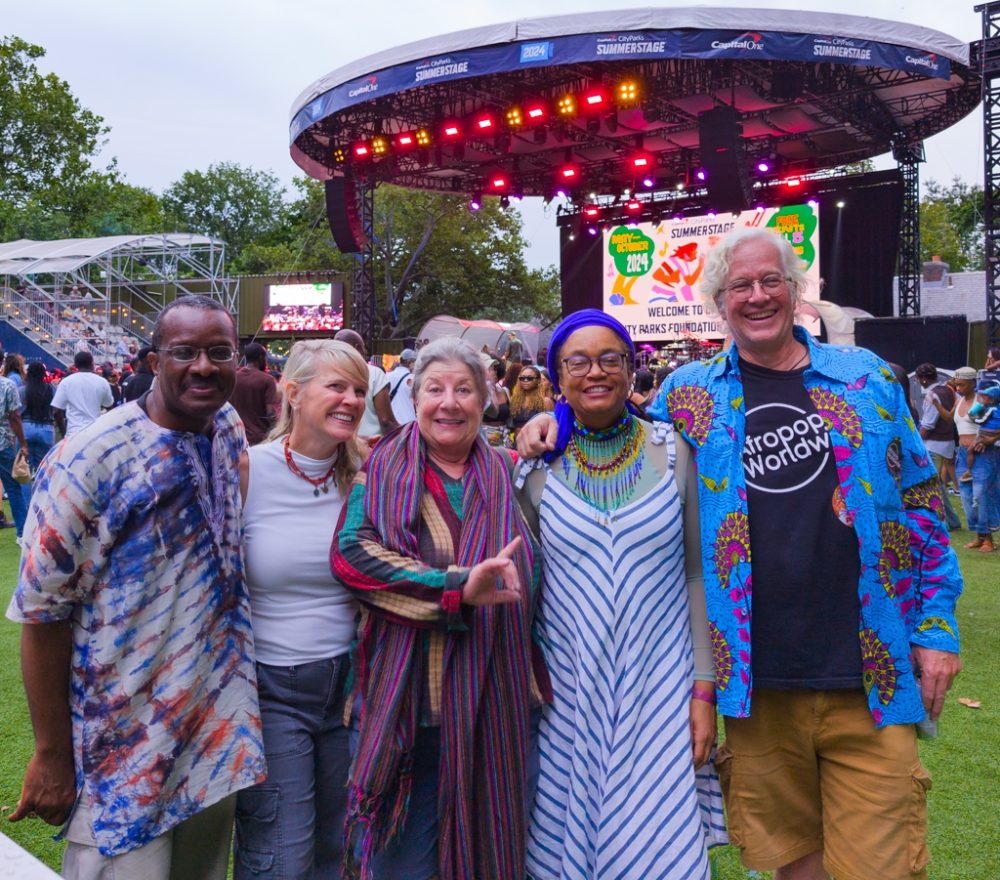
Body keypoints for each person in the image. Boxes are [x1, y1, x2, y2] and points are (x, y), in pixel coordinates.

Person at [520, 228, 964, 880]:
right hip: (755, 687)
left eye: (770, 281)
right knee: (793, 868)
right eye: (740, 287)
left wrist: (936, 629)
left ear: (795, 291)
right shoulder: (689, 396)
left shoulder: (865, 378)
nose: (757, 297)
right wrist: (552, 421)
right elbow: (615, 416)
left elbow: (923, 502)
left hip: (870, 672)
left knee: (884, 866)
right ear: (719, 301)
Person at [6, 295, 266, 879]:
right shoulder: (89, 459)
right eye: (185, 353)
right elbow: (42, 617)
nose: (203, 366)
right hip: (121, 753)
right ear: (154, 360)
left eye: (218, 351)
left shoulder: (224, 426)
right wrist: (50, 753)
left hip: (213, 736)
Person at [515, 310, 725, 880]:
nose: (596, 372)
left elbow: (696, 574)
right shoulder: (531, 470)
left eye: (611, 358)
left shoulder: (676, 452)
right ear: (557, 377)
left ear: (632, 370)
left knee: (662, 851)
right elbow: (527, 587)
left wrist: (703, 690)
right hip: (568, 697)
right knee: (567, 849)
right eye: (577, 362)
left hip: (662, 692)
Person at [330, 337, 550, 880]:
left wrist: (549, 420)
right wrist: (453, 587)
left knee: (493, 853)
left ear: (485, 399)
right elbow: (351, 557)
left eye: (464, 390)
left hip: (500, 709)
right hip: (412, 714)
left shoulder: (509, 470)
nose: (448, 403)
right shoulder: (382, 467)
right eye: (434, 389)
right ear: (416, 396)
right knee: (405, 866)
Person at [233, 340, 369, 879]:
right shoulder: (249, 470)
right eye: (336, 386)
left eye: (359, 389)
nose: (351, 400)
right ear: (292, 391)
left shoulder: (370, 472)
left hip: (353, 689)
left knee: (342, 852)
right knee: (281, 856)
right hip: (273, 691)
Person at [915, 363, 961, 528]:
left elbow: (928, 424)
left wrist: (916, 442)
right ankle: (951, 521)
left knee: (934, 485)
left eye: (919, 379)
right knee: (937, 485)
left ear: (924, 379)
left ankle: (946, 521)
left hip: (934, 445)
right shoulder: (949, 390)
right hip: (948, 442)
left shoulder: (932, 395)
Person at [334, 328, 399, 439]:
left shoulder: (328, 374)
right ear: (357, 347)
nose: (365, 352)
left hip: (338, 447)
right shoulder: (374, 373)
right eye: (364, 348)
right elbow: (386, 421)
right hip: (370, 449)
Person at [51, 350, 113, 436]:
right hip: (94, 432)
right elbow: (109, 406)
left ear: (75, 365)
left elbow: (56, 411)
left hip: (74, 432)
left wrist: (63, 432)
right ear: (92, 364)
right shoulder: (102, 382)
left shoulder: (66, 382)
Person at [19, 361, 55, 505]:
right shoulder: (51, 389)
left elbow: (17, 411)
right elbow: (57, 409)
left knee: (24, 470)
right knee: (45, 469)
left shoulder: (22, 390)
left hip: (26, 427)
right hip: (46, 427)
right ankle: (44, 501)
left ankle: (28, 503)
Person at [229, 341, 278, 444]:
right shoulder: (267, 380)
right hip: (260, 439)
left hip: (236, 437)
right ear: (261, 357)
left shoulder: (233, 377)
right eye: (265, 358)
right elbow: (270, 413)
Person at [0, 369, 28, 543]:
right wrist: (23, 442)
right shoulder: (7, 385)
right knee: (13, 488)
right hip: (4, 442)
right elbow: (14, 416)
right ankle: (22, 533)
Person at [507, 364, 553, 439]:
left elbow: (551, 429)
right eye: (522, 378)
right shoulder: (515, 401)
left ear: (538, 380)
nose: (525, 380)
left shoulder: (545, 401)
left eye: (529, 378)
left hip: (537, 444)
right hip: (517, 444)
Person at [385, 347, 417, 425]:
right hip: (409, 421)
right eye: (414, 361)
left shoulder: (387, 376)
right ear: (409, 362)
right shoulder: (413, 378)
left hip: (392, 422)